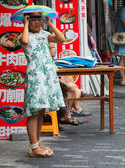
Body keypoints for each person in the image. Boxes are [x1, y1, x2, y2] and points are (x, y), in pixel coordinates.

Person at [20, 12, 65, 157]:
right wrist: (25, 24)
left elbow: (61, 39)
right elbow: (25, 41)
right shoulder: (25, 34)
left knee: (41, 110)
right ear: (27, 20)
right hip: (35, 76)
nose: (37, 22)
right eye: (33, 19)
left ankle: (37, 143)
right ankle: (34, 146)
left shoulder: (44, 34)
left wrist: (50, 24)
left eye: (39, 19)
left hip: (47, 75)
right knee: (33, 111)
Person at [49, 42, 92, 118]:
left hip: (54, 82)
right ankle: (68, 114)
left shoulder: (51, 60)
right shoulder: (46, 61)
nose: (55, 50)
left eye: (55, 47)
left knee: (69, 79)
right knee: (73, 89)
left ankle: (75, 108)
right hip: (50, 85)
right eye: (53, 48)